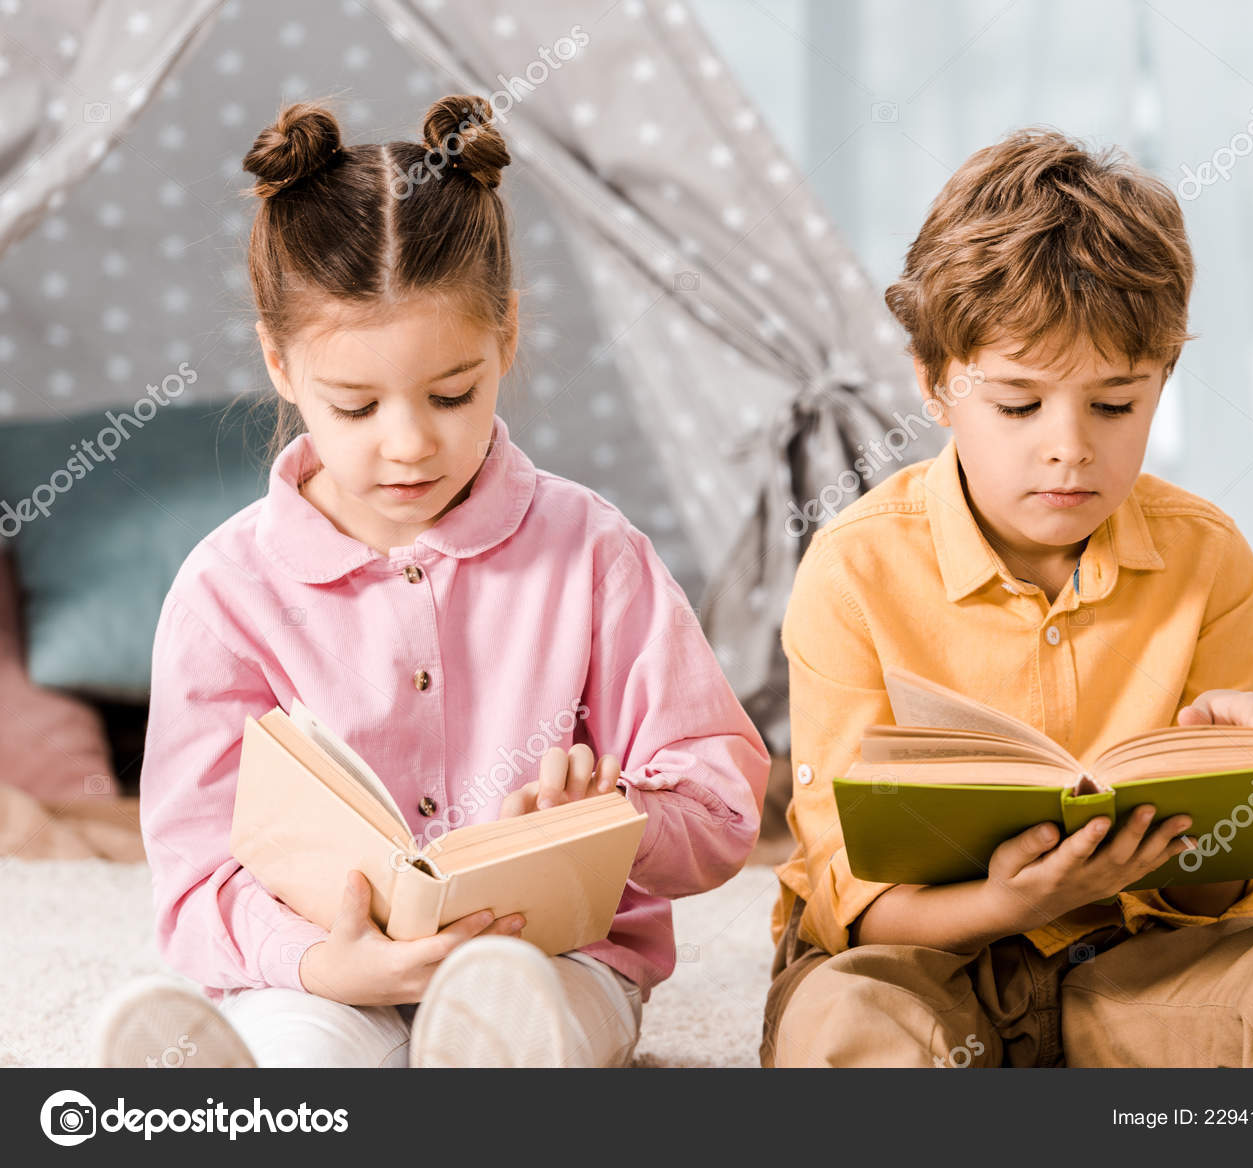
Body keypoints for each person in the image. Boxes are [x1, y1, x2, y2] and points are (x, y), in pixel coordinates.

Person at [93, 96, 768, 1069]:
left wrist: (610, 821)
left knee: (516, 1020)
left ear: (505, 337)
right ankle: (237, 1081)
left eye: (451, 393)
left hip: (554, 959)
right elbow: (196, 875)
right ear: (281, 362)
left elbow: (720, 813)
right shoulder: (225, 590)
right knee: (301, 1048)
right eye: (356, 405)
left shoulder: (590, 550)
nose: (409, 443)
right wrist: (324, 962)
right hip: (325, 966)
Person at [763, 128, 1253, 1068]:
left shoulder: (1207, 557)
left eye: (1115, 406)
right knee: (844, 1021)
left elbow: (1208, 902)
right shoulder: (853, 569)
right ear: (936, 383)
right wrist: (1011, 903)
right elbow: (850, 904)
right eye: (1020, 406)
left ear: (1163, 383)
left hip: (1134, 964)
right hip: (919, 962)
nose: (1069, 448)